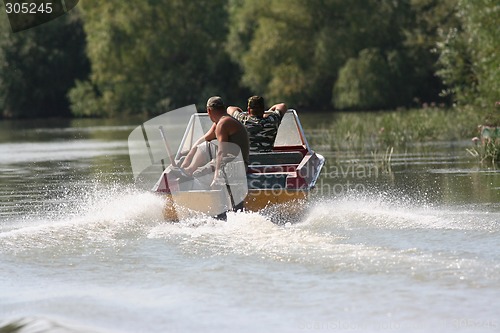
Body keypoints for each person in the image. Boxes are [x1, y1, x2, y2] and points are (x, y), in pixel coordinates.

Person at [171, 96, 249, 187]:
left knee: (198, 174)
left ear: (209, 111)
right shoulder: (220, 121)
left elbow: (221, 152)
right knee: (205, 145)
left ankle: (201, 197)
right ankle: (188, 170)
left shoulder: (223, 124)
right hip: (230, 160)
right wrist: (187, 159)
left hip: (236, 165)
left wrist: (216, 176)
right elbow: (203, 139)